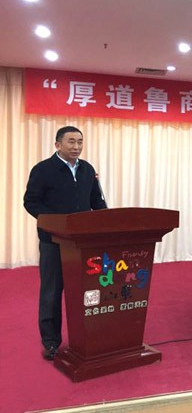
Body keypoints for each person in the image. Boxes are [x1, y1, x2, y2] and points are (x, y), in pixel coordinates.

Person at [23, 126, 107, 361]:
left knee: (86, 291)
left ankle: (87, 337)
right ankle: (51, 342)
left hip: (83, 242)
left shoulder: (87, 169)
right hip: (53, 241)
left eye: (80, 142)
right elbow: (31, 202)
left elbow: (96, 202)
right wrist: (56, 223)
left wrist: (107, 221)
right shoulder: (43, 170)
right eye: (71, 142)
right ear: (57, 144)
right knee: (51, 292)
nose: (76, 147)